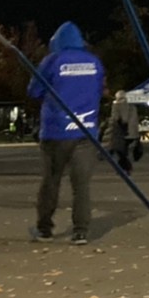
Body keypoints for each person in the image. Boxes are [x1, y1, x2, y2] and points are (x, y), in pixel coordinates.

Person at [28, 21, 105, 245]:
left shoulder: (52, 61)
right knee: (81, 185)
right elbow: (99, 90)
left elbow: (34, 91)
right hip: (86, 131)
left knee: (51, 181)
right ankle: (80, 231)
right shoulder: (94, 62)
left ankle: (45, 229)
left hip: (56, 131)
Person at [103, 88, 141, 173]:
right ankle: (124, 167)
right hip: (132, 133)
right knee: (124, 151)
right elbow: (135, 120)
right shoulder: (132, 107)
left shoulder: (116, 105)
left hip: (121, 132)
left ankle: (126, 167)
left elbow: (116, 118)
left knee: (120, 151)